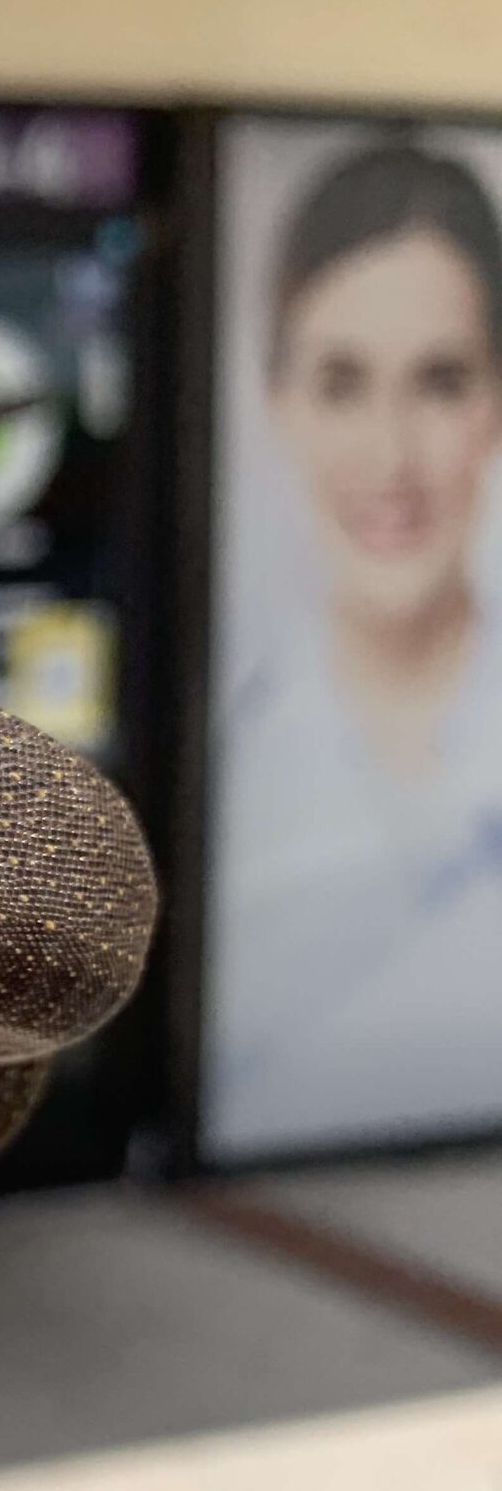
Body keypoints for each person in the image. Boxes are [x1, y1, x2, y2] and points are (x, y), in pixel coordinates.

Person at [210, 138, 502, 1154]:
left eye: (439, 381)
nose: (391, 457)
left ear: (496, 402)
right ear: (277, 402)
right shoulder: (217, 759)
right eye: (342, 383)